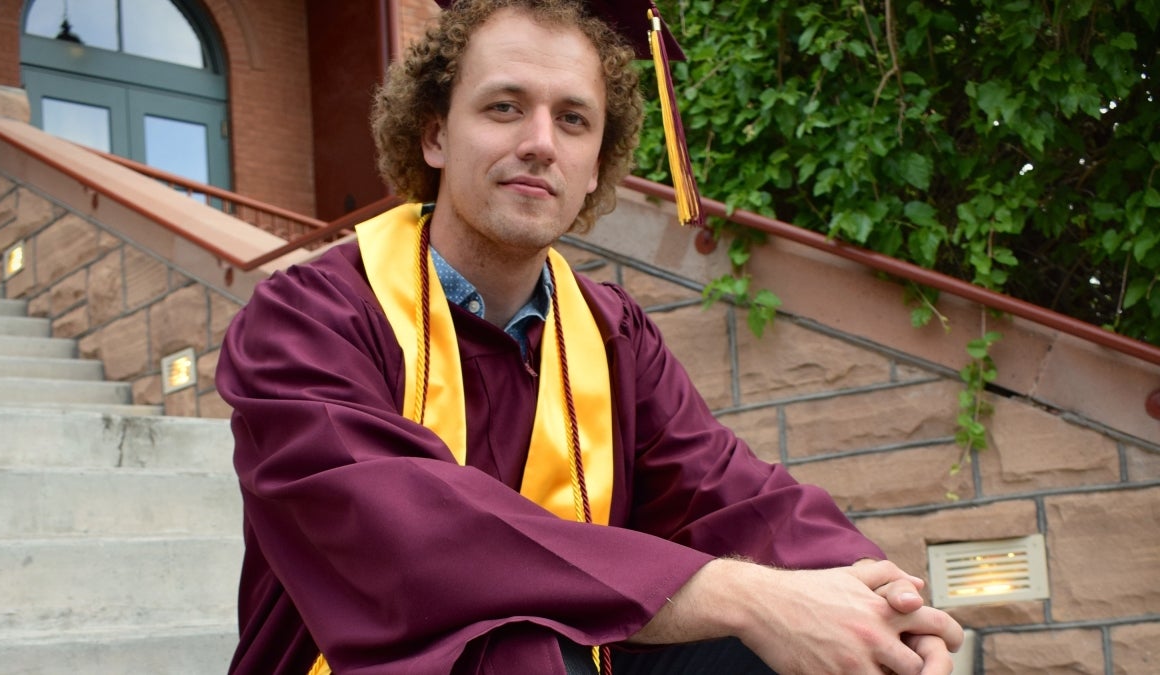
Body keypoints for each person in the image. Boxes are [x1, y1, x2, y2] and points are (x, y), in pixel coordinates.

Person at [216, 1, 964, 673]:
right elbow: (410, 539)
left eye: (574, 119)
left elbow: (728, 492)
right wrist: (737, 591)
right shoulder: (306, 320)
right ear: (435, 133)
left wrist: (885, 599)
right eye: (505, 107)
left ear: (596, 164)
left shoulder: (612, 334)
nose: (541, 143)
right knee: (527, 644)